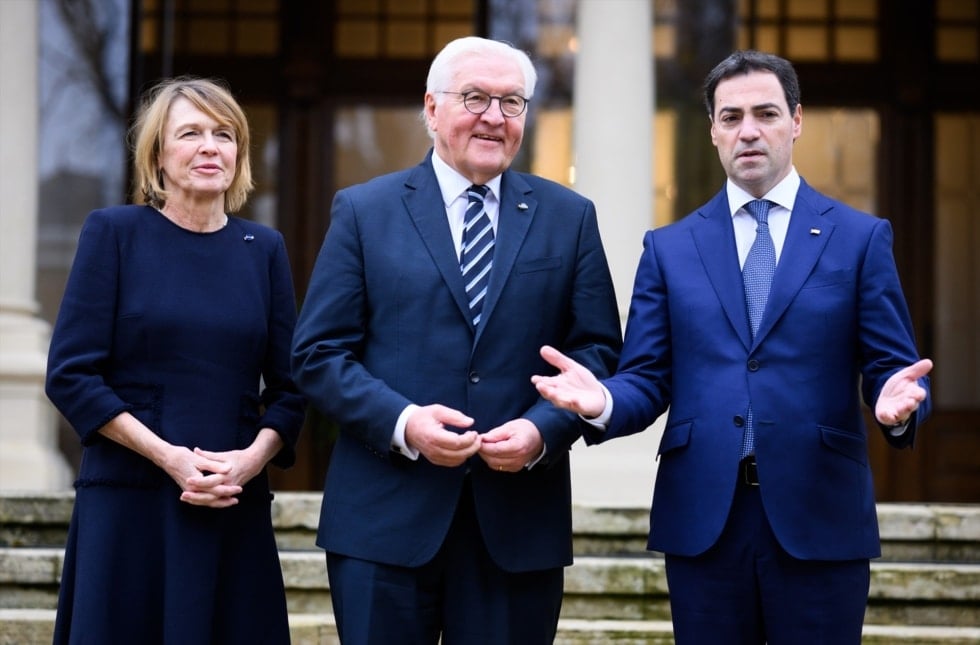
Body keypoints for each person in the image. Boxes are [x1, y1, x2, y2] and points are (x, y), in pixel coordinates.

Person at [531, 50, 933, 645]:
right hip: (703, 519)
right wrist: (602, 402)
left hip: (821, 514)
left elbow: (890, 366)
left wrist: (897, 407)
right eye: (732, 116)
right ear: (713, 130)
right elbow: (646, 376)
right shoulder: (670, 248)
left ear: (796, 120)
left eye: (766, 113)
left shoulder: (859, 238)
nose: (749, 130)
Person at [290, 36, 622, 645]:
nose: (494, 117)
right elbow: (317, 355)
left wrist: (542, 432)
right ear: (432, 107)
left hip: (517, 525)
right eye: (475, 98)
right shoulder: (364, 211)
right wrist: (404, 421)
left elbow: (598, 352)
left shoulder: (568, 217)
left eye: (512, 102)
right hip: (383, 523)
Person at [45, 76, 306, 644]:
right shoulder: (114, 233)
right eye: (190, 133)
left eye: (224, 134)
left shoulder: (263, 250)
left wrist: (250, 462)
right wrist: (169, 458)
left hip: (230, 505)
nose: (211, 147)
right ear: (158, 155)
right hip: (131, 504)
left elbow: (290, 390)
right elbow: (70, 374)